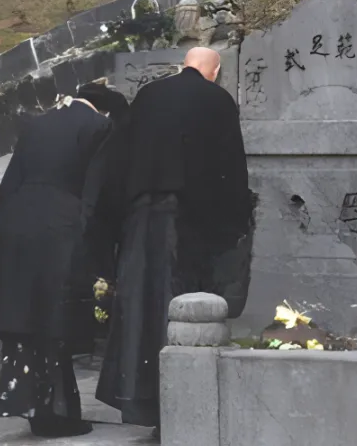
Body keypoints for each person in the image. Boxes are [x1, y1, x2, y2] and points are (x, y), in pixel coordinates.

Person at [96, 47, 254, 434]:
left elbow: (119, 158)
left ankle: (139, 399)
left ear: (184, 64)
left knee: (141, 306)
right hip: (190, 221)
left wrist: (112, 224)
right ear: (215, 71)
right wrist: (237, 220)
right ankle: (182, 402)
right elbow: (230, 165)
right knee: (181, 305)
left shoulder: (149, 95)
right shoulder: (217, 100)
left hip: (140, 218)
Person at [0, 82, 129, 438]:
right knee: (54, 324)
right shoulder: (99, 127)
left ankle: (30, 404)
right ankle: (57, 413)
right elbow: (100, 189)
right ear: (105, 108)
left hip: (17, 224)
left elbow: (9, 182)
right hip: (62, 228)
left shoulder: (37, 123)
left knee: (23, 321)